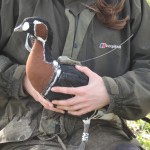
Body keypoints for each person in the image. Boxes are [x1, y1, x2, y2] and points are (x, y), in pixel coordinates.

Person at [0, 0, 150, 149]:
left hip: (101, 128)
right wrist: (22, 79)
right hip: (22, 126)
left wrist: (111, 91)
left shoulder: (134, 6)